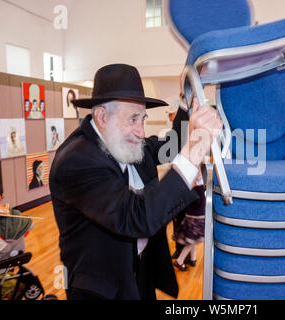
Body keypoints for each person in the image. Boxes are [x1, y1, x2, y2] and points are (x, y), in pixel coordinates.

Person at [49, 64, 222, 300]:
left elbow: (171, 146)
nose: (141, 132)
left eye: (143, 119)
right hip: (104, 290)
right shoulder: (76, 161)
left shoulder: (127, 143)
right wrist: (196, 149)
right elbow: (136, 217)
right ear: (101, 116)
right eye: (133, 119)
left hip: (140, 275)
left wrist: (186, 98)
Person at [172, 173, 206, 271]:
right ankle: (180, 261)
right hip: (195, 219)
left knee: (194, 239)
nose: (200, 174)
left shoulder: (194, 188)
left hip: (193, 217)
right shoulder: (197, 189)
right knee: (192, 241)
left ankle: (192, 258)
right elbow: (199, 202)